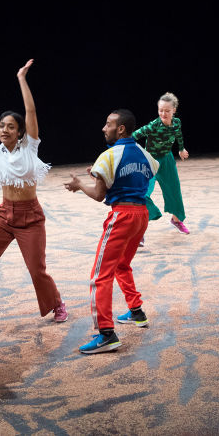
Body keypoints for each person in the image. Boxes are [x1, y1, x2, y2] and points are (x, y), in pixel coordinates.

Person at [0, 61, 67, 323]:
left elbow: (30, 110)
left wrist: (22, 78)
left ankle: (56, 303)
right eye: (2, 126)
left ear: (20, 131)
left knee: (37, 270)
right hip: (4, 217)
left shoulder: (29, 148)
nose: (4, 130)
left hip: (30, 217)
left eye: (11, 127)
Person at [63, 109, 159, 354]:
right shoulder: (147, 156)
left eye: (108, 124)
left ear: (121, 129)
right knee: (121, 265)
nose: (104, 129)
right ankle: (137, 312)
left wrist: (79, 185)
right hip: (141, 216)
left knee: (100, 277)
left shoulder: (108, 156)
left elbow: (98, 195)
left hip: (122, 216)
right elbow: (142, 177)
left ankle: (106, 334)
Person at [132, 92, 190, 242]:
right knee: (143, 193)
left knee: (174, 190)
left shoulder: (176, 123)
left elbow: (179, 135)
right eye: (160, 110)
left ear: (174, 110)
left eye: (167, 111)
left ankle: (176, 220)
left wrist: (181, 149)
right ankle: (139, 230)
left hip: (167, 160)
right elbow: (134, 136)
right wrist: (133, 151)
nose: (163, 113)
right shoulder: (153, 125)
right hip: (150, 161)